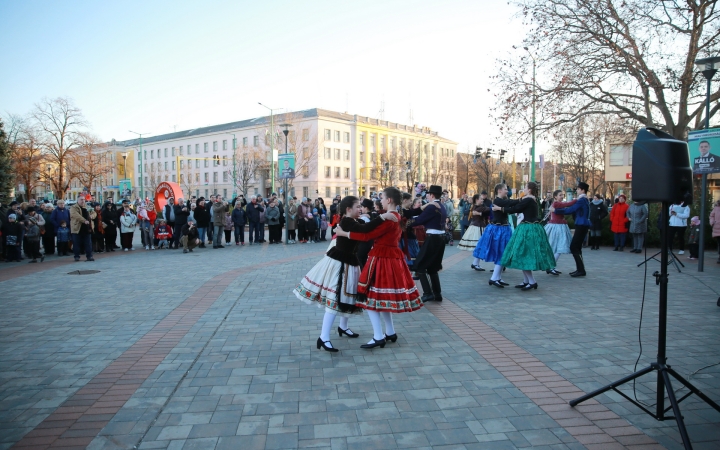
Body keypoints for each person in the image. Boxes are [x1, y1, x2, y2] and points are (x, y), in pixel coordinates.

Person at [293, 196, 396, 352]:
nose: (360, 209)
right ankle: (323, 337)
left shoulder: (353, 221)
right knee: (336, 298)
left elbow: (367, 228)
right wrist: (382, 216)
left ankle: (343, 326)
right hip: (340, 264)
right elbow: (364, 230)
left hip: (350, 263)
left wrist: (374, 218)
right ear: (348, 209)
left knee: (346, 296)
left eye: (360, 207)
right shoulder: (347, 222)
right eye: (357, 207)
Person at [335, 187, 423, 349]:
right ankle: (389, 332)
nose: (380, 200)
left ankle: (378, 336)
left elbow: (367, 236)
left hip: (382, 259)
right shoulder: (395, 216)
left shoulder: (391, 218)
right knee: (381, 298)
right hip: (390, 257)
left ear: (389, 200)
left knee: (370, 297)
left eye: (382, 198)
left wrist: (343, 234)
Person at [494, 181, 555, 289]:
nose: (524, 189)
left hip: (528, 228)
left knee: (523, 253)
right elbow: (516, 206)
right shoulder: (531, 199)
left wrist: (499, 208)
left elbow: (515, 209)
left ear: (530, 190)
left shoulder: (528, 199)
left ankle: (532, 282)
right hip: (531, 227)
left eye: (525, 188)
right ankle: (526, 280)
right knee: (523, 253)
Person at [407, 185, 447, 303]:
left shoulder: (432, 207)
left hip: (433, 238)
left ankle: (428, 293)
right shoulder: (441, 206)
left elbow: (419, 220)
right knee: (433, 267)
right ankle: (437, 293)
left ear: (432, 195)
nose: (427, 196)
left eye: (428, 194)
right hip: (440, 238)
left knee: (419, 265)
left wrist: (405, 223)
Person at [474, 183, 514, 288]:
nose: (507, 191)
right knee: (501, 253)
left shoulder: (502, 201)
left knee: (502, 253)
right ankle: (493, 278)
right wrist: (523, 200)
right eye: (505, 189)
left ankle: (497, 277)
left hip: (503, 229)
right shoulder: (498, 201)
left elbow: (510, 204)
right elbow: (510, 202)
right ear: (499, 190)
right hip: (499, 230)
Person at [551, 182, 591, 277]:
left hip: (582, 224)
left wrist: (555, 211)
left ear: (582, 190)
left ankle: (581, 270)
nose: (576, 190)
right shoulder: (583, 199)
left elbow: (571, 210)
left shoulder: (582, 200)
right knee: (576, 247)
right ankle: (580, 269)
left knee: (574, 247)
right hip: (582, 224)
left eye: (578, 189)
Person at [544, 190, 576, 276]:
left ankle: (551, 266)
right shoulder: (557, 204)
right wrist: (577, 200)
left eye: (562, 195)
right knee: (559, 247)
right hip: (557, 226)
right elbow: (567, 204)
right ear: (555, 197)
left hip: (557, 226)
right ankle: (551, 266)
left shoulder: (556, 204)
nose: (562, 196)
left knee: (557, 247)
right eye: (560, 195)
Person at [459, 194, 490, 271]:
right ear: (476, 200)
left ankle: (476, 263)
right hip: (478, 227)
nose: (482, 200)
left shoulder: (475, 207)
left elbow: (487, 210)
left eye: (483, 199)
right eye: (481, 199)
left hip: (478, 226)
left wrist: (480, 213)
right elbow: (488, 209)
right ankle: (475, 263)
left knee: (479, 246)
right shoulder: (477, 207)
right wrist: (481, 212)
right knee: (479, 245)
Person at [70, 197, 95, 261]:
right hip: (77, 228)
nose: (83, 201)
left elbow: (94, 213)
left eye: (84, 200)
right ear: (77, 200)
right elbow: (76, 215)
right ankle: (76, 256)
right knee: (76, 243)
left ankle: (89, 256)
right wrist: (84, 220)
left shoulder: (87, 206)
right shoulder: (73, 207)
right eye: (81, 200)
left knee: (88, 243)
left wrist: (92, 216)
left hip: (87, 228)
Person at [709, 200, 720, 264]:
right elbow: (711, 216)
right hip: (717, 228)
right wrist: (712, 222)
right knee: (719, 243)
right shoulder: (716, 208)